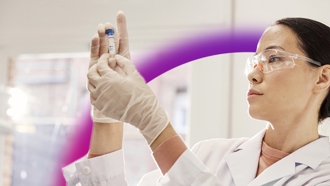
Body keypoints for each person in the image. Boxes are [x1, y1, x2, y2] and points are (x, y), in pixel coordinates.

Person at [62, 11, 330, 185]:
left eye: (273, 58)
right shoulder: (209, 154)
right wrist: (107, 113)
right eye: (254, 62)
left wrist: (153, 122)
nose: (253, 75)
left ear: (322, 78)